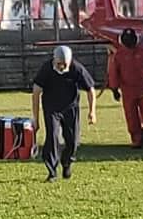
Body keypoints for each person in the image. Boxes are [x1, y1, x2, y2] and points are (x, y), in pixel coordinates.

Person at [32, 45, 96, 182]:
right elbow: (36, 91)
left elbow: (90, 89)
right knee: (52, 137)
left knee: (73, 140)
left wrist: (92, 111)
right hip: (51, 108)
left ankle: (67, 162)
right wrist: (36, 119)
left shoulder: (76, 68)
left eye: (64, 64)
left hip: (70, 108)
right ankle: (52, 171)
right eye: (59, 64)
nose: (61, 67)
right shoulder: (47, 68)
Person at [108, 28, 143, 148]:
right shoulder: (118, 55)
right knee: (131, 116)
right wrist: (114, 89)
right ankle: (136, 140)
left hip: (142, 87)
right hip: (127, 90)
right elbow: (114, 73)